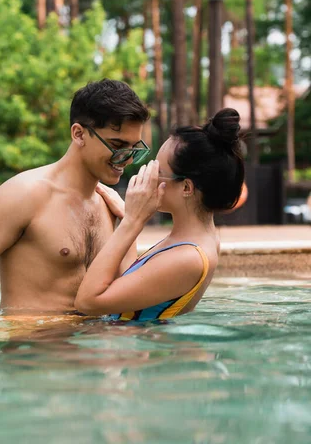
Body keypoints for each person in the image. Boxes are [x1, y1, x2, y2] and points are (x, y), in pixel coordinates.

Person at [0, 79, 150, 328]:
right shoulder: (23, 195)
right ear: (79, 134)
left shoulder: (110, 207)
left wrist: (129, 220)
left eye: (135, 148)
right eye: (117, 146)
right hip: (30, 356)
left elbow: (125, 298)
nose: (127, 159)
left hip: (92, 355)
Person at [75, 108, 245, 321]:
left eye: (159, 172)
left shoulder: (188, 258)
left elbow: (87, 302)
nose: (148, 176)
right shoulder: (193, 238)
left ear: (186, 188)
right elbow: (136, 283)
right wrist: (128, 218)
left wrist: (131, 223)